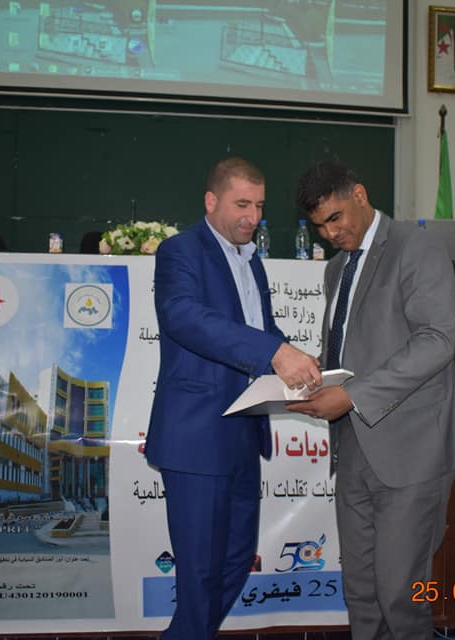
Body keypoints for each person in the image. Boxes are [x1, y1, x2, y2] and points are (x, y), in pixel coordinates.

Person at [287, 160, 455, 640]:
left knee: (400, 595)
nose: (330, 233)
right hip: (352, 446)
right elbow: (355, 347)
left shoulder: (416, 246)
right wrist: (316, 377)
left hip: (413, 447)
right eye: (319, 226)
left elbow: (436, 341)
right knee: (362, 593)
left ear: (360, 195)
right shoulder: (336, 269)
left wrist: (350, 395)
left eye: (335, 218)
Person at [145, 156, 322, 640]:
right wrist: (276, 352)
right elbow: (184, 317)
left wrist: (303, 362)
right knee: (200, 574)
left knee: (237, 560)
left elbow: (260, 330)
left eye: (259, 206)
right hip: (197, 436)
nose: (253, 217)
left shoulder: (252, 261)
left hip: (245, 433)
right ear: (211, 201)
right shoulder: (180, 251)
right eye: (242, 204)